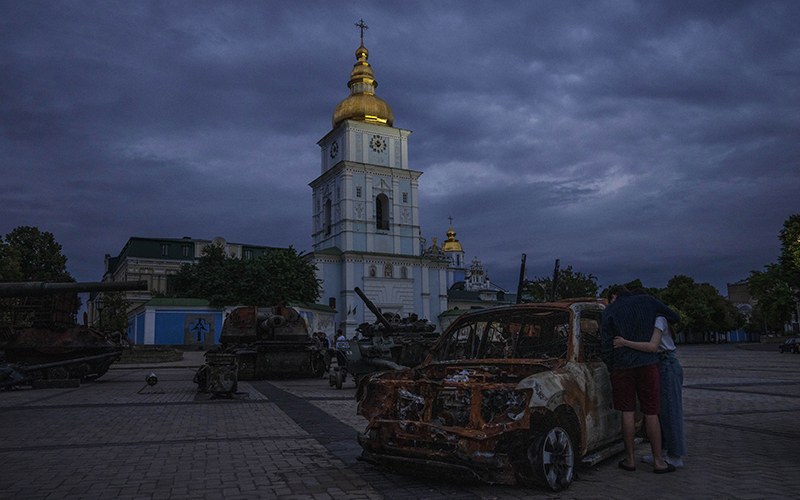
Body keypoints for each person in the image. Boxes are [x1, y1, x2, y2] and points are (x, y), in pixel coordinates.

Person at [601, 284, 680, 473]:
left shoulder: (610, 310)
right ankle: (659, 462)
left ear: (614, 296)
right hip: (647, 364)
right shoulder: (648, 301)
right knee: (651, 413)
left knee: (627, 413)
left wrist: (612, 366)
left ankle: (629, 460)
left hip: (622, 367)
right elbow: (674, 317)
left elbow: (605, 345)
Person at [614, 314, 686, 467]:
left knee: (670, 411)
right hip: (658, 363)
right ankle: (662, 452)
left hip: (666, 363)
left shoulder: (658, 319)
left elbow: (652, 346)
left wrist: (625, 343)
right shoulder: (649, 319)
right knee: (660, 412)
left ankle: (675, 454)